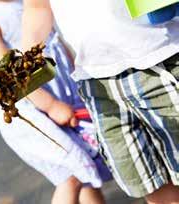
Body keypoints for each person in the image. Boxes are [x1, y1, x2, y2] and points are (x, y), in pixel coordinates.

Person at [21, 0, 179, 204]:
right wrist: (24, 65)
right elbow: (37, 8)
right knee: (148, 181)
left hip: (158, 56)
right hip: (95, 80)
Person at [0, 0, 112, 204]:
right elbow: (7, 74)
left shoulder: (26, 4)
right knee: (70, 173)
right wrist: (50, 105)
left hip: (64, 94)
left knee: (86, 169)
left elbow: (56, 43)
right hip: (31, 106)